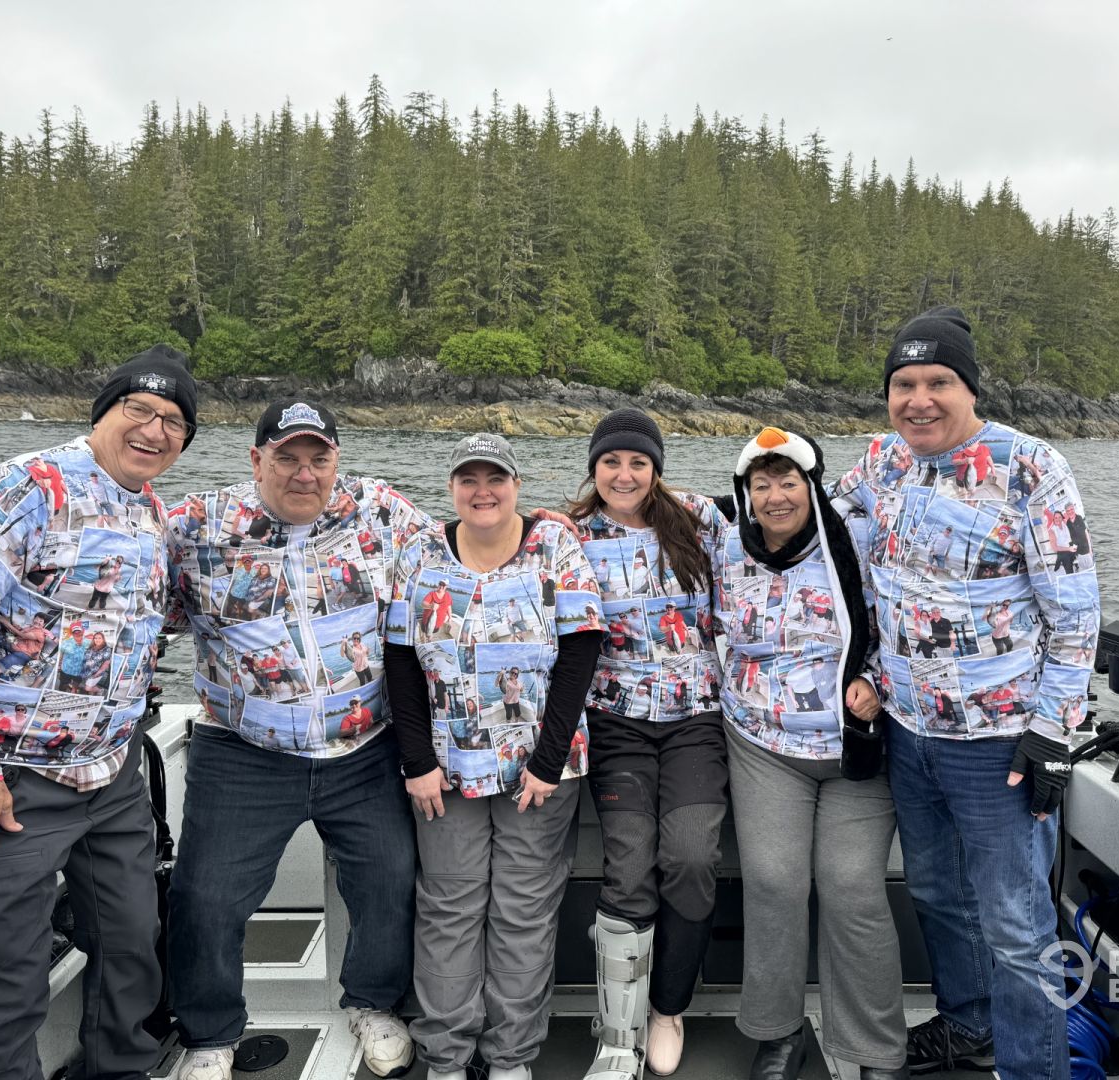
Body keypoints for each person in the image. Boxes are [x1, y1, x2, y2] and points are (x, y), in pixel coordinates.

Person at [0, 344, 197, 1080]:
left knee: (132, 941)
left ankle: (120, 1069)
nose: (155, 430)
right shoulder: (27, 487)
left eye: (174, 421)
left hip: (111, 773)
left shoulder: (151, 510)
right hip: (8, 782)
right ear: (103, 412)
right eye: (139, 409)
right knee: (8, 978)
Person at [834, 307, 1100, 1079]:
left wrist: (1052, 733)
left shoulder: (1032, 468)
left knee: (1017, 925)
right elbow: (804, 515)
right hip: (907, 730)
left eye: (939, 382)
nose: (919, 400)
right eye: (904, 384)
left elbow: (1076, 615)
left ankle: (1032, 1070)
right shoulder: (881, 460)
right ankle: (969, 1028)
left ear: (970, 389)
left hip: (1000, 745)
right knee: (937, 894)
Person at [165, 400, 431, 1080]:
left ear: (337, 461)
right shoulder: (194, 525)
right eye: (287, 457)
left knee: (391, 878)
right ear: (257, 460)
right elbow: (121, 598)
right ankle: (209, 1034)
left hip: (364, 747)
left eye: (319, 458)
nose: (304, 473)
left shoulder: (382, 512)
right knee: (206, 897)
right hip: (242, 751)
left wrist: (540, 530)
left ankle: (372, 1001)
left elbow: (464, 557)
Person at [385, 432, 603, 1080]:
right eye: (469, 479)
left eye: (495, 478)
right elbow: (400, 660)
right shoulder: (419, 551)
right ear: (452, 487)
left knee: (523, 913)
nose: (483, 491)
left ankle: (510, 1057)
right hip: (446, 770)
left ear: (516, 485)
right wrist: (417, 761)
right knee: (448, 910)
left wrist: (546, 761)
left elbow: (580, 655)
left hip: (540, 770)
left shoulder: (555, 544)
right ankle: (447, 1057)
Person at [716, 427, 907, 1080]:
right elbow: (648, 510)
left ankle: (876, 1049)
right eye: (761, 484)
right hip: (763, 746)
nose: (775, 496)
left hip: (855, 752)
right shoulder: (724, 545)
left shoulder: (860, 540)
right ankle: (777, 1033)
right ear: (745, 492)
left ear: (812, 485)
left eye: (788, 481)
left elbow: (908, 624)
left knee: (852, 886)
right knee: (774, 881)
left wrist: (876, 684)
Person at [563, 409, 730, 1079]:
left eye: (638, 462)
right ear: (594, 468)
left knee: (690, 856)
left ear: (656, 468)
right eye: (611, 461)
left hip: (696, 721)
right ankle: (617, 1034)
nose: (624, 474)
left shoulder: (700, 520)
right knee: (629, 868)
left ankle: (667, 1009)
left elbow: (773, 558)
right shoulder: (569, 535)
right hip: (616, 722)